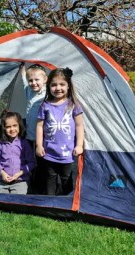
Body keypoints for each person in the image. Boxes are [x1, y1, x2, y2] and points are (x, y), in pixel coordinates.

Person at [36, 67, 84, 196]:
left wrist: (79, 145)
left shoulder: (73, 105)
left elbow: (79, 125)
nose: (58, 88)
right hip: (49, 152)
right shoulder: (45, 105)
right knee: (50, 178)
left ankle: (66, 203)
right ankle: (50, 202)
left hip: (68, 153)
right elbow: (40, 126)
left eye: (62, 84)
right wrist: (39, 145)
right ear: (49, 86)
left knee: (66, 179)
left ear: (68, 86)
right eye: (54, 85)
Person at [0, 111, 36, 194]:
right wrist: (2, 174)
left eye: (14, 125)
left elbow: (32, 163)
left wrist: (19, 174)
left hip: (20, 181)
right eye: (8, 127)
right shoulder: (1, 145)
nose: (12, 129)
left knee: (17, 202)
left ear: (19, 126)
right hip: (3, 182)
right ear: (4, 128)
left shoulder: (24, 144)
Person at [22, 63, 48, 194]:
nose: (33, 83)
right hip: (30, 135)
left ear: (45, 80)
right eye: (30, 80)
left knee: (42, 161)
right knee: (32, 160)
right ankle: (32, 184)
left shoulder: (48, 93)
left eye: (37, 79)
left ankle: (42, 186)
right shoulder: (29, 92)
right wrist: (21, 68)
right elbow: (23, 82)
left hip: (43, 136)